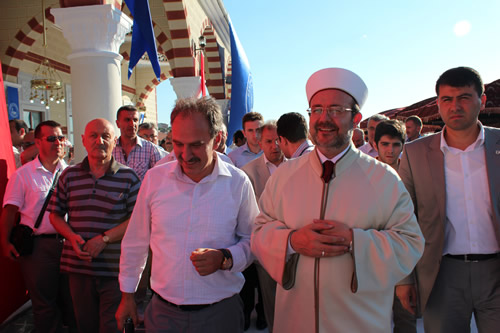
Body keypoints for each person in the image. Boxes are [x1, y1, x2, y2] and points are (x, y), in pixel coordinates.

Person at [251, 67, 424, 332]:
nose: (324, 118)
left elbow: (410, 242)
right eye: (317, 110)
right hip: (295, 321)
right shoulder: (284, 176)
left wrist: (355, 241)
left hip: (361, 322)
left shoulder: (384, 179)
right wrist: (291, 241)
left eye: (335, 110)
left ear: (356, 118)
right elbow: (259, 231)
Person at [116, 97, 259, 333]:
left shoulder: (238, 183)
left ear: (218, 139)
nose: (185, 154)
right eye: (178, 144)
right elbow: (135, 242)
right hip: (163, 315)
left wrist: (225, 258)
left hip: (220, 315)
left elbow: (254, 240)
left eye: (196, 145)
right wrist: (127, 296)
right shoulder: (155, 179)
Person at [398, 66, 500, 333]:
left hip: (496, 274)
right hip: (441, 275)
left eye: (464, 97)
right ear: (438, 104)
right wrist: (404, 278)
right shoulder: (414, 153)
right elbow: (402, 220)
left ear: (482, 100)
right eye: (447, 99)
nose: (455, 106)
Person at [49, 118, 141, 333]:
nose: (99, 140)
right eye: (93, 135)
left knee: (112, 326)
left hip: (115, 270)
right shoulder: (68, 175)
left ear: (114, 141)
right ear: (83, 140)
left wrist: (105, 238)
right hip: (78, 268)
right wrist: (72, 238)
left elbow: (138, 220)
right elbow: (55, 215)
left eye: (106, 136)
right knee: (85, 325)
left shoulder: (128, 177)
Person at [1, 120, 76, 333]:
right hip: (38, 249)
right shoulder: (23, 175)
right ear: (37, 142)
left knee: (73, 301)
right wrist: (5, 243)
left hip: (68, 246)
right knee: (44, 306)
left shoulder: (71, 174)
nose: (58, 142)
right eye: (51, 138)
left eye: (60, 138)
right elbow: (9, 212)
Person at [241, 121, 286, 332]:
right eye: (269, 141)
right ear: (260, 142)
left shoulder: (297, 166)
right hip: (266, 249)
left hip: (295, 247)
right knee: (271, 303)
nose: (275, 145)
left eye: (278, 140)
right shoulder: (248, 172)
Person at [373, 119, 416, 332]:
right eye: (385, 144)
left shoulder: (411, 174)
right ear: (375, 145)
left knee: (405, 318)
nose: (390, 150)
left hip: (404, 258)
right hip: (373, 256)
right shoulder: (363, 173)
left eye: (396, 144)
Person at [112, 105, 165, 180]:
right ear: (117, 124)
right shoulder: (110, 149)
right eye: (127, 120)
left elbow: (159, 178)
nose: (132, 124)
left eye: (135, 120)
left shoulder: (150, 149)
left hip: (142, 192)